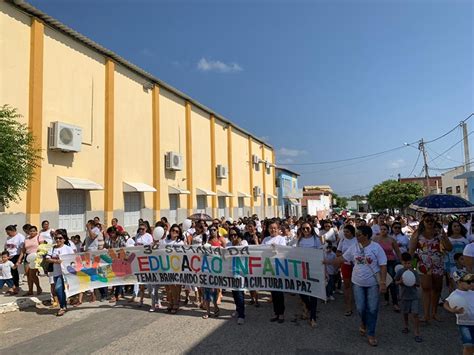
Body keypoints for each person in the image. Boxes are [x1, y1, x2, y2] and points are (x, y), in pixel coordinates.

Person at [326, 225, 387, 347]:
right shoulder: (354, 247)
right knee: (360, 308)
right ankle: (364, 322)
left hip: (373, 284)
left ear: (366, 236)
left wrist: (383, 282)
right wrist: (326, 261)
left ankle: (371, 333)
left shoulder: (376, 248)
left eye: (359, 235)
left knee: (373, 309)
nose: (357, 236)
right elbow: (342, 258)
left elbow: (383, 265)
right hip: (358, 283)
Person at [409, 213, 453, 322]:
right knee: (426, 288)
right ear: (423, 222)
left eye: (431, 220)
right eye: (427, 220)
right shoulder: (418, 233)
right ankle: (426, 315)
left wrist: (443, 236)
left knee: (437, 288)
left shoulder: (439, 233)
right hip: (423, 264)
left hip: (438, 263)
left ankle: (434, 313)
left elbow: (449, 248)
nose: (429, 222)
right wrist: (412, 267)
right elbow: (412, 251)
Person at [262, 220, 288, 323]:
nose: (272, 230)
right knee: (273, 292)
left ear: (278, 229)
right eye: (271, 228)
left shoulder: (281, 239)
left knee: (279, 293)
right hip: (269, 268)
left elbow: (283, 251)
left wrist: (275, 250)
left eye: (274, 228)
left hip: (278, 268)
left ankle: (281, 314)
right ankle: (276, 313)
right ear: (268, 229)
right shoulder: (265, 239)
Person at [444, 271, 474, 355]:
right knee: (468, 346)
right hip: (464, 324)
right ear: (459, 282)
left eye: (472, 281)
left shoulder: (472, 292)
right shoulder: (455, 294)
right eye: (468, 282)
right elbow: (445, 303)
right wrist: (451, 310)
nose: (471, 284)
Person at [46, 229, 75, 316]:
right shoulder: (52, 248)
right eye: (56, 238)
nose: (58, 240)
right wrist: (55, 261)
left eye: (60, 238)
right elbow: (47, 259)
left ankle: (67, 302)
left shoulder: (68, 249)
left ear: (64, 239)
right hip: (56, 272)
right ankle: (63, 306)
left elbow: (73, 259)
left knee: (68, 289)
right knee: (58, 289)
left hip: (67, 273)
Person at [395, 252, 422, 343]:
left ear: (411, 262)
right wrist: (400, 282)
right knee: (405, 312)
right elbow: (395, 282)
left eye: (409, 263)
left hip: (414, 296)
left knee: (415, 314)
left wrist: (414, 283)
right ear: (402, 263)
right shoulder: (400, 271)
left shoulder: (414, 272)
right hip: (404, 296)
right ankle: (406, 326)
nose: (407, 265)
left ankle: (417, 333)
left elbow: (418, 284)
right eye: (405, 263)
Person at [374, 223, 401, 312]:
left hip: (390, 262)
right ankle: (386, 299)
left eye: (385, 229)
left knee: (392, 282)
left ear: (388, 230)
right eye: (381, 229)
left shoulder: (391, 240)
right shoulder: (375, 239)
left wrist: (402, 262)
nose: (383, 231)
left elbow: (397, 251)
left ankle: (395, 303)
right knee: (383, 281)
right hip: (380, 263)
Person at [163, 224, 185, 314]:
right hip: (167, 265)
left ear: (179, 233)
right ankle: (172, 302)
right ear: (170, 231)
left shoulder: (180, 243)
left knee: (177, 285)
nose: (174, 232)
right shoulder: (165, 241)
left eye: (177, 231)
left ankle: (176, 302)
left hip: (177, 265)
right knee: (169, 285)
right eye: (173, 230)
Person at [337, 224, 358, 316]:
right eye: (344, 232)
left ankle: (359, 302)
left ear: (352, 232)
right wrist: (343, 257)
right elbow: (338, 252)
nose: (345, 233)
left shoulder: (357, 240)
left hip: (357, 265)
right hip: (346, 265)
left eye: (347, 232)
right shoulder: (342, 240)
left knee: (357, 284)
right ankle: (348, 306)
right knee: (347, 285)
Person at [17, 225, 43, 296]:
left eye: (33, 231)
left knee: (32, 274)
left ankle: (38, 287)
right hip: (27, 257)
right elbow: (23, 251)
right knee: (28, 275)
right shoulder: (26, 239)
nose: (32, 232)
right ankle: (30, 290)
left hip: (35, 257)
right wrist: (19, 260)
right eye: (30, 231)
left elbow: (42, 247)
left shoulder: (39, 237)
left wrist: (39, 256)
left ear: (36, 231)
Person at [445, 221, 470, 292]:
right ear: (451, 228)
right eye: (454, 226)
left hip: (462, 266)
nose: (457, 228)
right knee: (452, 284)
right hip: (450, 265)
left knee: (463, 283)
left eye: (458, 226)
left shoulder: (465, 240)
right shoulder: (447, 239)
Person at [3, 225, 25, 293]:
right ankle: (11, 287)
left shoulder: (20, 237)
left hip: (16, 256)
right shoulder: (8, 237)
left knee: (14, 272)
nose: (7, 234)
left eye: (8, 232)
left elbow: (22, 249)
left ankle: (16, 287)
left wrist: (19, 260)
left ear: (13, 231)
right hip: (8, 257)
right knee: (7, 272)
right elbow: (6, 247)